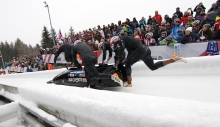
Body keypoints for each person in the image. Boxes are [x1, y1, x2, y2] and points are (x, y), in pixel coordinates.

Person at [110, 36, 187, 87]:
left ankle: (129, 83)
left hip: (140, 50)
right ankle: (174, 59)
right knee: (152, 67)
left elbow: (122, 52)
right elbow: (130, 51)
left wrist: (119, 61)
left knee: (127, 64)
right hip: (146, 49)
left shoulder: (122, 40)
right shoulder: (124, 40)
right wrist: (125, 59)